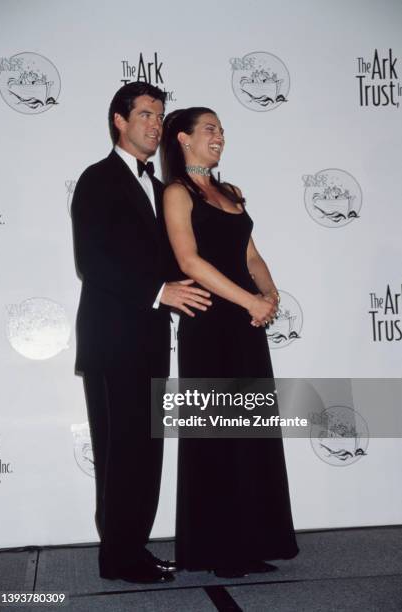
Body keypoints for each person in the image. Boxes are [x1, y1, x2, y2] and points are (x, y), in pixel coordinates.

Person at [71, 84, 211, 584]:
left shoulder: (160, 186)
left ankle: (134, 548)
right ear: (119, 120)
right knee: (120, 453)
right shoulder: (97, 179)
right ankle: (118, 558)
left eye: (160, 115)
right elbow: (93, 262)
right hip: (112, 343)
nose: (156, 124)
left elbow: (178, 260)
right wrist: (159, 292)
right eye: (146, 114)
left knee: (145, 452)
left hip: (151, 342)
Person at [160, 107, 299, 577]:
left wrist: (270, 294)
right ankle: (216, 549)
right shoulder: (176, 194)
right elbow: (189, 260)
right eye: (210, 129)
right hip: (209, 323)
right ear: (183, 138)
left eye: (221, 129)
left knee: (249, 432)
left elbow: (251, 254)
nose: (220, 136)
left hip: (245, 324)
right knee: (216, 434)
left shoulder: (230, 193)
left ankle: (250, 540)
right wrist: (249, 301)